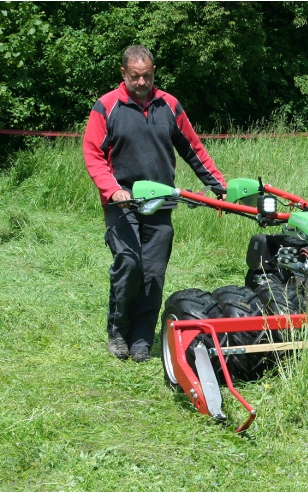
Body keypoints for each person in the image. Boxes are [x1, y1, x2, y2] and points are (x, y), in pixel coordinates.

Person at [83, 45, 226, 362]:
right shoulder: (107, 107)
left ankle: (141, 340)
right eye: (135, 76)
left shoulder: (169, 105)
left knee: (154, 272)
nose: (142, 82)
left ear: (154, 71)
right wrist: (112, 190)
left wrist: (218, 185)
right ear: (124, 73)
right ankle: (118, 330)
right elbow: (93, 155)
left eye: (147, 75)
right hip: (122, 203)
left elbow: (193, 149)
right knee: (130, 264)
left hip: (160, 201)